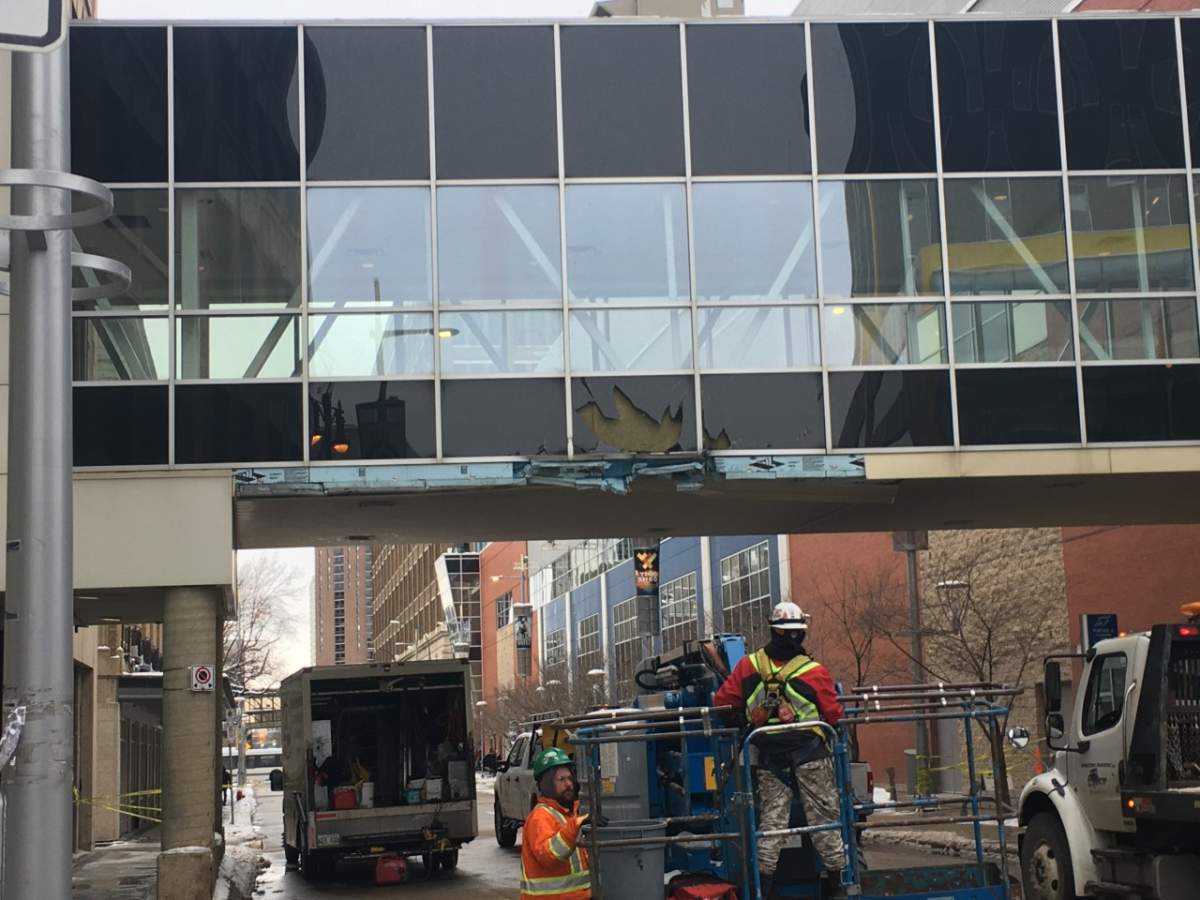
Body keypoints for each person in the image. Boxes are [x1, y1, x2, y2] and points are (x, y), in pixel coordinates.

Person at [714, 602, 847, 898]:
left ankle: (765, 889)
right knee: (825, 821)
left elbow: (723, 703)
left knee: (771, 826)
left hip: (770, 757)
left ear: (772, 629)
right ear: (801, 632)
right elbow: (834, 716)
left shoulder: (749, 666)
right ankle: (838, 886)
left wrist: (743, 721)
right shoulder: (814, 672)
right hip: (811, 755)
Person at [520, 747, 603, 900]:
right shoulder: (540, 816)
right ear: (546, 784)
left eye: (569, 778)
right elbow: (549, 855)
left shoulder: (569, 814)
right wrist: (576, 824)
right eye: (561, 780)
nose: (568, 784)